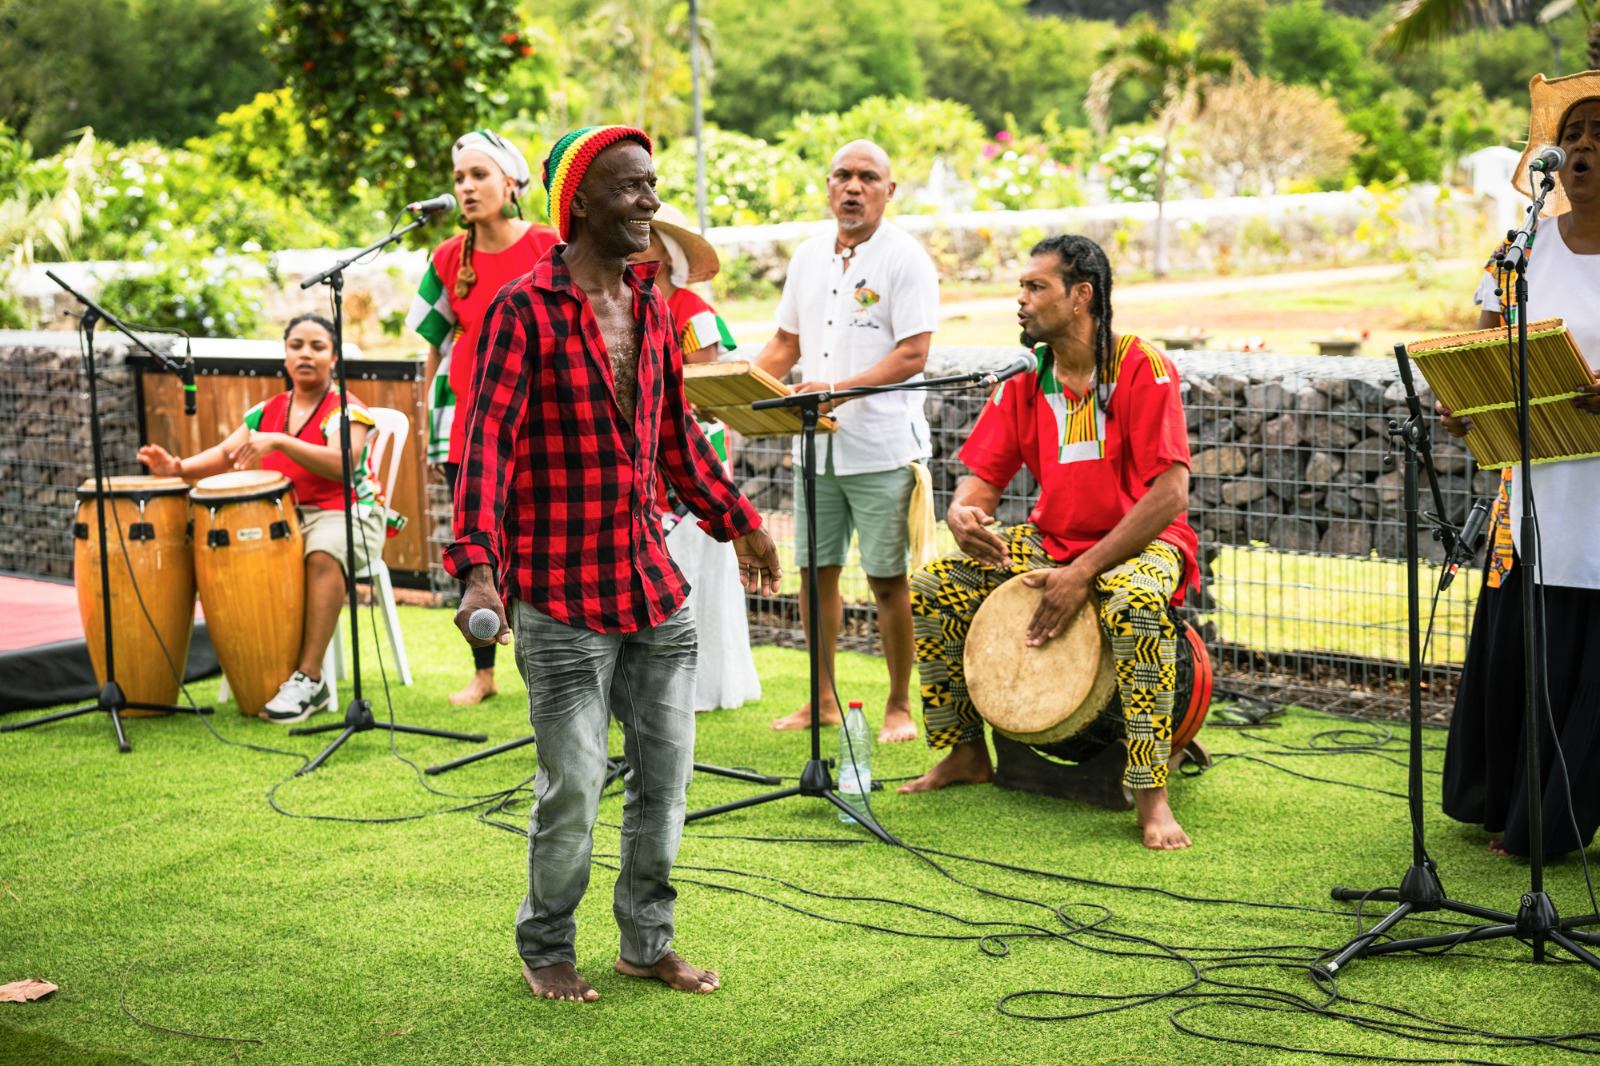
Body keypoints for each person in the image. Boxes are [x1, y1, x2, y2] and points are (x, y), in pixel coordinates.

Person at [444, 126, 783, 1002]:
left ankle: (646, 942)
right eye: (632, 189)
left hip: (650, 583)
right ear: (581, 204)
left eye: (654, 186)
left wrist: (738, 520)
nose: (650, 204)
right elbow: (486, 448)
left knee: (666, 781)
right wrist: (479, 569)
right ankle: (546, 943)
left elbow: (674, 439)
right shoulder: (523, 311)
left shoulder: (653, 307)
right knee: (574, 788)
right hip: (558, 594)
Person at [895, 235, 1200, 851]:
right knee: (933, 586)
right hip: (1053, 539)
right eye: (1021, 288)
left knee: (1134, 606)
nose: (1021, 300)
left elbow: (1170, 496)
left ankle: (1151, 794)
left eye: (1036, 288)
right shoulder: (1026, 379)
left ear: (1081, 295)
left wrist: (1083, 571)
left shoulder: (1143, 367)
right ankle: (964, 753)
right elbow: (979, 486)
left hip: (1145, 543)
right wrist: (963, 517)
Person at [1439, 73, 1600, 860]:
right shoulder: (1521, 248)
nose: (1584, 147)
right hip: (1533, 489)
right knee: (1527, 646)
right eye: (1572, 133)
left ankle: (1561, 822)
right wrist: (1464, 399)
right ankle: (1510, 805)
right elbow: (1483, 347)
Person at [753, 139, 938, 744]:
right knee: (815, 575)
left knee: (887, 582)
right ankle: (823, 699)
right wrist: (741, 390)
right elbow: (785, 342)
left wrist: (840, 389)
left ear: (890, 190)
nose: (853, 187)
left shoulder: (905, 259)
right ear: (828, 186)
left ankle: (898, 705)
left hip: (881, 448)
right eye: (842, 176)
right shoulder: (808, 255)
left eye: (867, 177)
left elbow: (913, 354)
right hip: (816, 447)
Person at [137, 313, 390, 723]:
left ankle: (310, 679)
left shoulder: (346, 409)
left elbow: (345, 462)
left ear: (334, 357)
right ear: (285, 356)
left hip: (349, 513)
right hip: (288, 518)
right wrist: (177, 468)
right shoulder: (269, 410)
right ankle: (259, 667)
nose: (305, 354)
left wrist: (282, 442)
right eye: (296, 346)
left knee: (323, 553)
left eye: (317, 346)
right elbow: (224, 455)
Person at [407, 129, 559, 707]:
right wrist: (428, 417)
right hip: (465, 415)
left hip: (539, 415)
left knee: (537, 537)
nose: (466, 188)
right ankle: (484, 671)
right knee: (475, 545)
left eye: (479, 176)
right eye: (459, 179)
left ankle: (546, 663)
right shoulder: (446, 256)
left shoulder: (549, 245)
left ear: (512, 183)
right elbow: (432, 344)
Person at [626, 202, 761, 712]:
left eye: (649, 237)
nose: (638, 244)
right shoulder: (621, 302)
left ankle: (702, 686)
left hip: (692, 467)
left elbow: (702, 388)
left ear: (669, 251)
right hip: (645, 461)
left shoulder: (693, 312)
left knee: (697, 571)